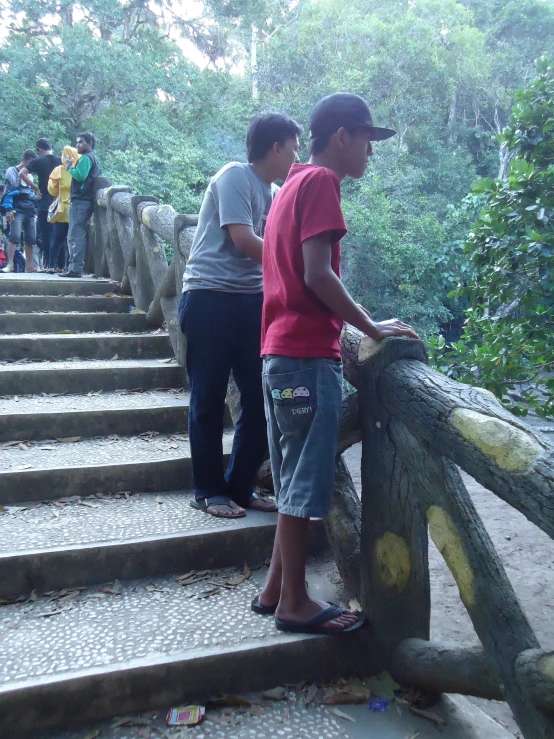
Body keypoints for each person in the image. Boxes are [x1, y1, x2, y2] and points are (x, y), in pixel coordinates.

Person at [256, 93, 419, 635]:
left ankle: (276, 588)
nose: (371, 151)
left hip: (277, 355)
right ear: (343, 136)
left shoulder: (289, 186)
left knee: (291, 473)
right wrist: (373, 328)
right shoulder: (322, 183)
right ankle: (295, 603)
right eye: (368, 139)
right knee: (307, 478)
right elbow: (318, 275)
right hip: (304, 356)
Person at [178, 113, 302, 519]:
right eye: (294, 148)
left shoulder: (276, 191)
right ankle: (209, 490)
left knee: (261, 398)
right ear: (276, 148)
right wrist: (297, 266)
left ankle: (239, 485)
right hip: (210, 298)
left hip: (251, 302)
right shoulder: (235, 175)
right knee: (209, 397)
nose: (297, 156)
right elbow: (243, 239)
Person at [60, 132, 101, 277]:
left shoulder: (86, 158)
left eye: (81, 142)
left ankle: (75, 268)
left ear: (89, 143)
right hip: (86, 200)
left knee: (75, 234)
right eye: (77, 142)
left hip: (81, 200)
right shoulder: (93, 158)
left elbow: (80, 176)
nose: (77, 145)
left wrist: (69, 167)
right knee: (77, 233)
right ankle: (75, 266)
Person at [19, 138, 61, 269]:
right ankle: (61, 265)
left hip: (44, 201)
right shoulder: (61, 161)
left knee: (46, 235)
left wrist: (36, 189)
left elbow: (22, 173)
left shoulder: (38, 161)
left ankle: (49, 264)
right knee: (59, 234)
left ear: (40, 150)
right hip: (59, 202)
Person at [1, 150, 39, 273]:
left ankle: (29, 266)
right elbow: (10, 191)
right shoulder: (12, 171)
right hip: (16, 208)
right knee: (14, 235)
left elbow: (31, 193)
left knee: (30, 237)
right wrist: (8, 209)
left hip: (29, 209)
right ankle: (10, 264)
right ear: (25, 159)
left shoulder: (30, 176)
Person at [46, 146, 79, 273]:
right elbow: (52, 190)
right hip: (65, 209)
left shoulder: (67, 171)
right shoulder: (61, 170)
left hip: (69, 208)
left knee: (65, 238)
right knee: (61, 238)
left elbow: (52, 190)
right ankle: (55, 265)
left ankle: (60, 266)